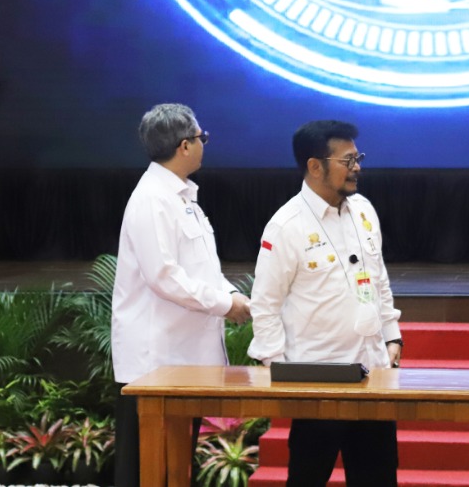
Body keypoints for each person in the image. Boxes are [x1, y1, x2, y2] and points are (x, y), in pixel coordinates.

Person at [248, 120, 403, 487]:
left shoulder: (363, 210)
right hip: (317, 383)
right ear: (315, 166)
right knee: (308, 478)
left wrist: (391, 335)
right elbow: (265, 305)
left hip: (372, 374)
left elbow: (378, 279)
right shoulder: (286, 225)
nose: (357, 168)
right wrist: (279, 370)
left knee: (378, 479)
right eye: (347, 161)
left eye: (358, 158)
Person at [110, 103, 251, 486]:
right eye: (202, 138)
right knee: (147, 470)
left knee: (175, 469)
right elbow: (164, 277)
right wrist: (226, 305)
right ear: (185, 145)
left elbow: (202, 269)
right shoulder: (152, 198)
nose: (205, 144)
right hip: (155, 363)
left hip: (183, 360)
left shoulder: (182, 197)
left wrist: (233, 295)